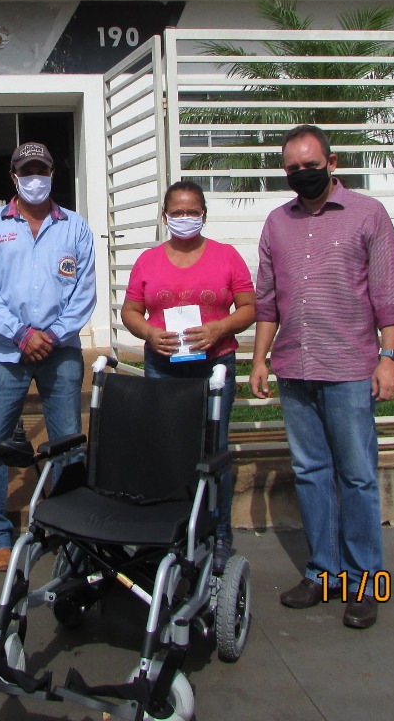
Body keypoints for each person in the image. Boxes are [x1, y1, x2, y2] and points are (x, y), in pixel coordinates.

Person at [249, 124, 394, 631]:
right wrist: (259, 358)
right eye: (293, 168)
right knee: (312, 474)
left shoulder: (368, 214)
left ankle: (365, 582)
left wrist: (390, 358)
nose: (303, 173)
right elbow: (268, 300)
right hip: (295, 366)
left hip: (350, 368)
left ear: (332, 163)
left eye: (310, 164)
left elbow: (388, 292)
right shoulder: (276, 223)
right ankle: (322, 573)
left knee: (357, 475)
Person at [0, 141, 97, 571]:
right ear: (14, 177)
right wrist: (21, 334)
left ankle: (68, 529)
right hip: (7, 353)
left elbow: (84, 291)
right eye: (28, 170)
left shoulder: (76, 227)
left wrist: (54, 334)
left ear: (52, 174)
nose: (35, 177)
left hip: (60, 352)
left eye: (42, 169)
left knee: (67, 445)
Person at [120, 179, 255, 573]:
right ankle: (169, 530)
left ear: (204, 215)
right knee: (165, 449)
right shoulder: (148, 261)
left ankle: (219, 536)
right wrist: (147, 332)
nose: (184, 218)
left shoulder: (226, 257)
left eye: (192, 211)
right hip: (163, 367)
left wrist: (219, 329)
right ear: (165, 216)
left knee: (214, 451)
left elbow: (249, 307)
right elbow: (131, 311)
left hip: (215, 365)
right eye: (176, 212)